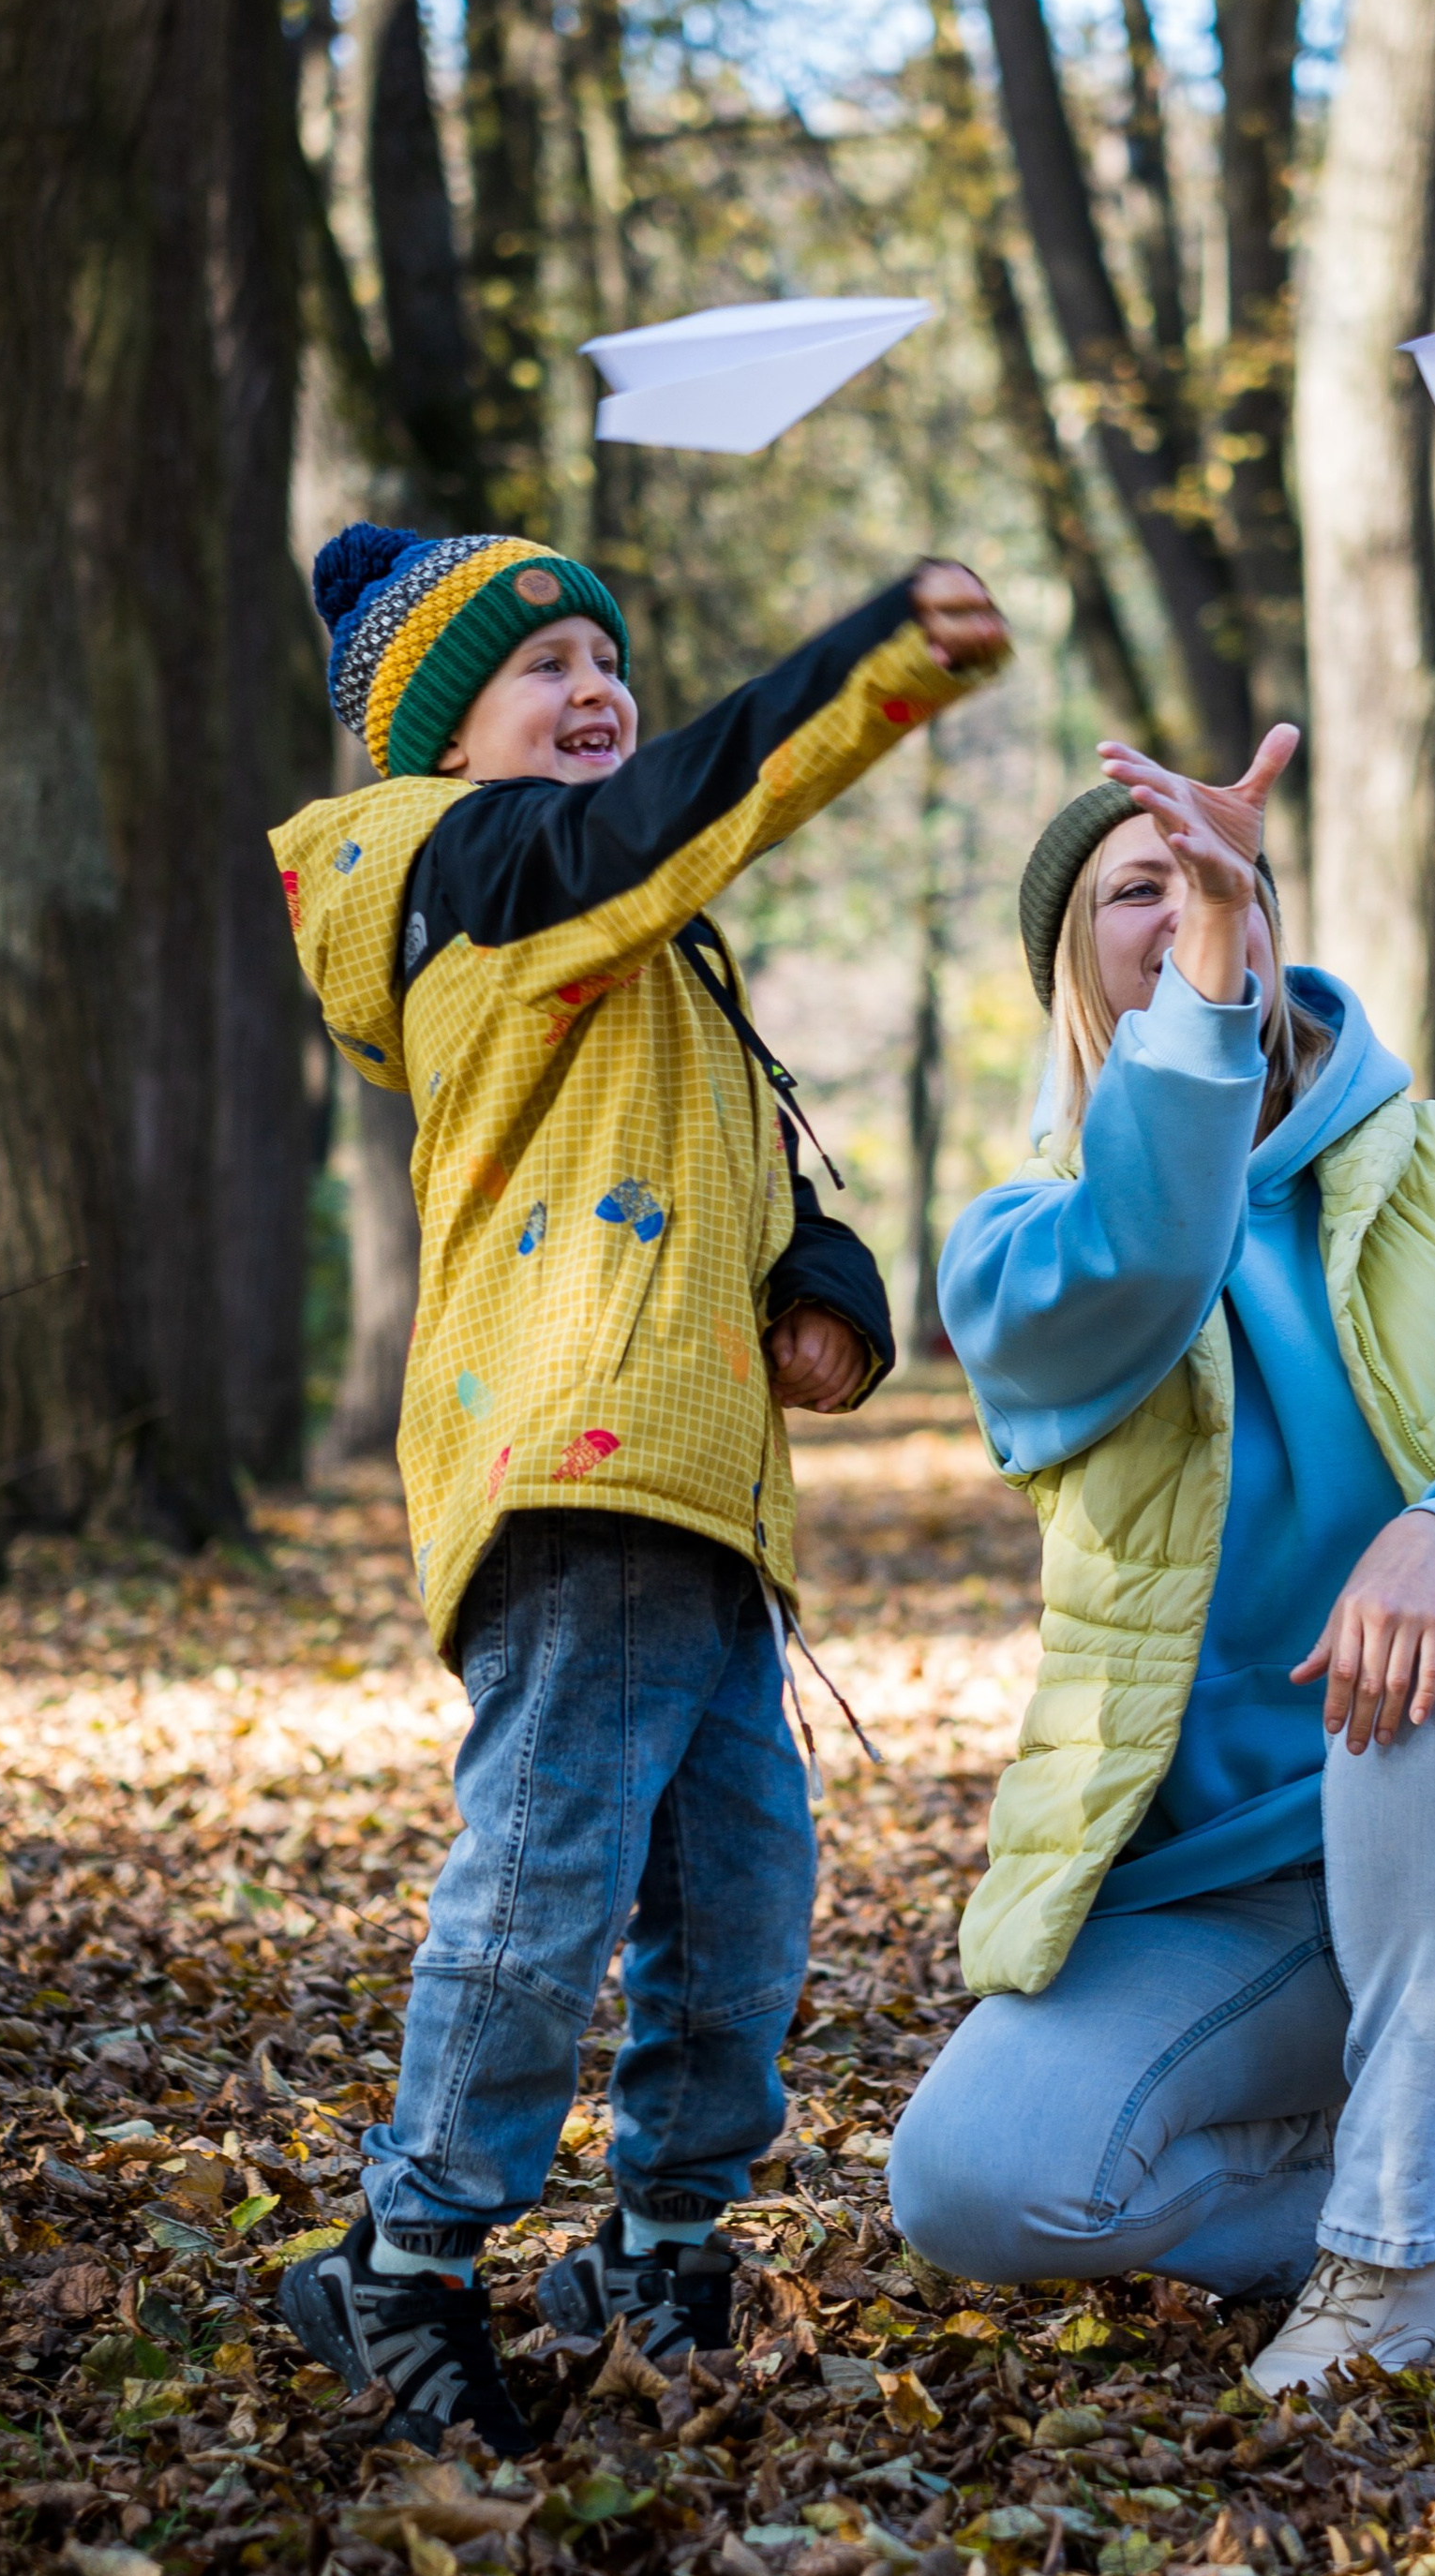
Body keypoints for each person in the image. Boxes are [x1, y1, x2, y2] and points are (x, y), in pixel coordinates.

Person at [888, 727, 1435, 2391]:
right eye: (1143, 886)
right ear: (1077, 970)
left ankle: (1387, 2266)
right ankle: (1349, 2177)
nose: (1198, 902)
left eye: (1228, 880)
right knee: (971, 2183)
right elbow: (1143, 1265)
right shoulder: (1021, 1248)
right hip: (1224, 1895)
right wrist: (1201, 1009)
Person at [269, 523, 1008, 2453]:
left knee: (740, 1899)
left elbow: (769, 1169)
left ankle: (660, 2244)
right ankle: (404, 2260)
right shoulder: (463, 876)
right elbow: (661, 818)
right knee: (546, 1885)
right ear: (441, 736)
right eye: (545, 670)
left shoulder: (651, 936)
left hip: (701, 1500)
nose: (595, 687)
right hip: (575, 1469)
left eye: (609, 654)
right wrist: (876, 660)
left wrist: (823, 1291)